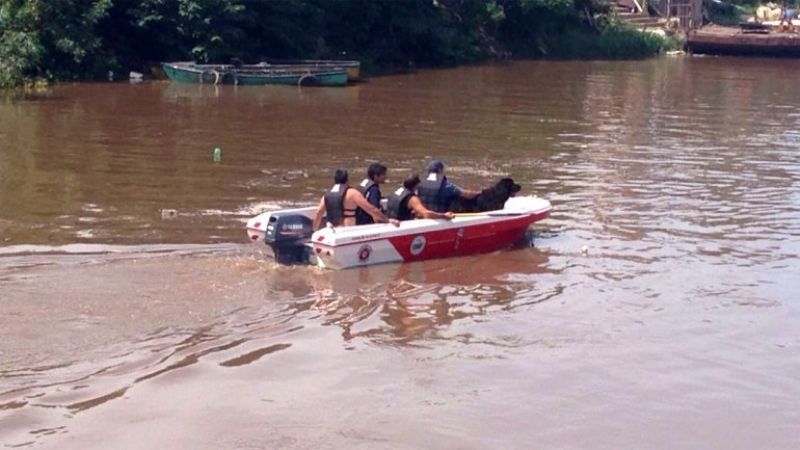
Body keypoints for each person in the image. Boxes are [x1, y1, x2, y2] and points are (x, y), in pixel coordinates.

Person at [312, 168, 392, 230]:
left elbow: (319, 212)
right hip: (348, 231)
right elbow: (372, 210)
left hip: (332, 230)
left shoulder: (326, 195)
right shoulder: (352, 193)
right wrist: (388, 221)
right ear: (347, 180)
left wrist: (315, 230)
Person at [388, 174, 455, 221]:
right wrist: (444, 216)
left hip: (391, 223)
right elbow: (426, 214)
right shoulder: (412, 198)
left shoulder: (396, 191)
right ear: (417, 185)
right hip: (403, 227)